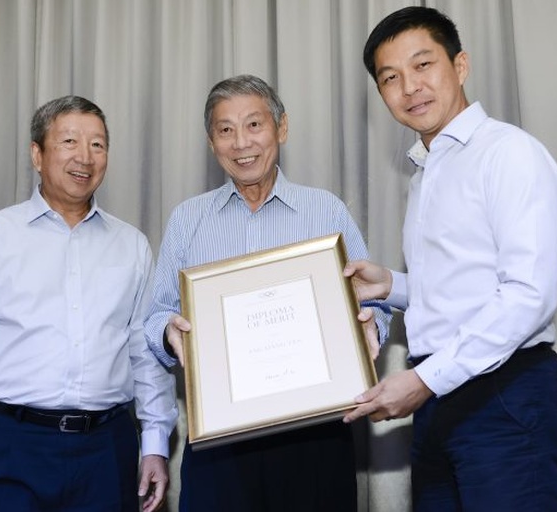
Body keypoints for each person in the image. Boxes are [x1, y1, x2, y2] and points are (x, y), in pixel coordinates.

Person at [343, 6, 557, 511]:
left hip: (506, 395)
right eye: (391, 78)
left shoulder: (508, 153)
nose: (410, 88)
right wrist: (391, 286)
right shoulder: (427, 172)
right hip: (442, 399)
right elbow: (463, 284)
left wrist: (424, 380)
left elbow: (527, 296)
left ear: (460, 65)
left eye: (423, 65)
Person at [0, 95, 178, 512]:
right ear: (37, 154)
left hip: (107, 449)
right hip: (9, 444)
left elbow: (145, 355)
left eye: (98, 144)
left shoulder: (132, 245)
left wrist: (154, 443)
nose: (85, 157)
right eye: (70, 142)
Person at [144, 74, 389, 512]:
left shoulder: (325, 210)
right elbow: (156, 314)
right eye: (226, 130)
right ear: (211, 141)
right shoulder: (188, 220)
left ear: (282, 128)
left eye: (254, 125)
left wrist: (370, 326)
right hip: (219, 444)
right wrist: (169, 332)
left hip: (315, 438)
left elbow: (371, 300)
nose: (241, 143)